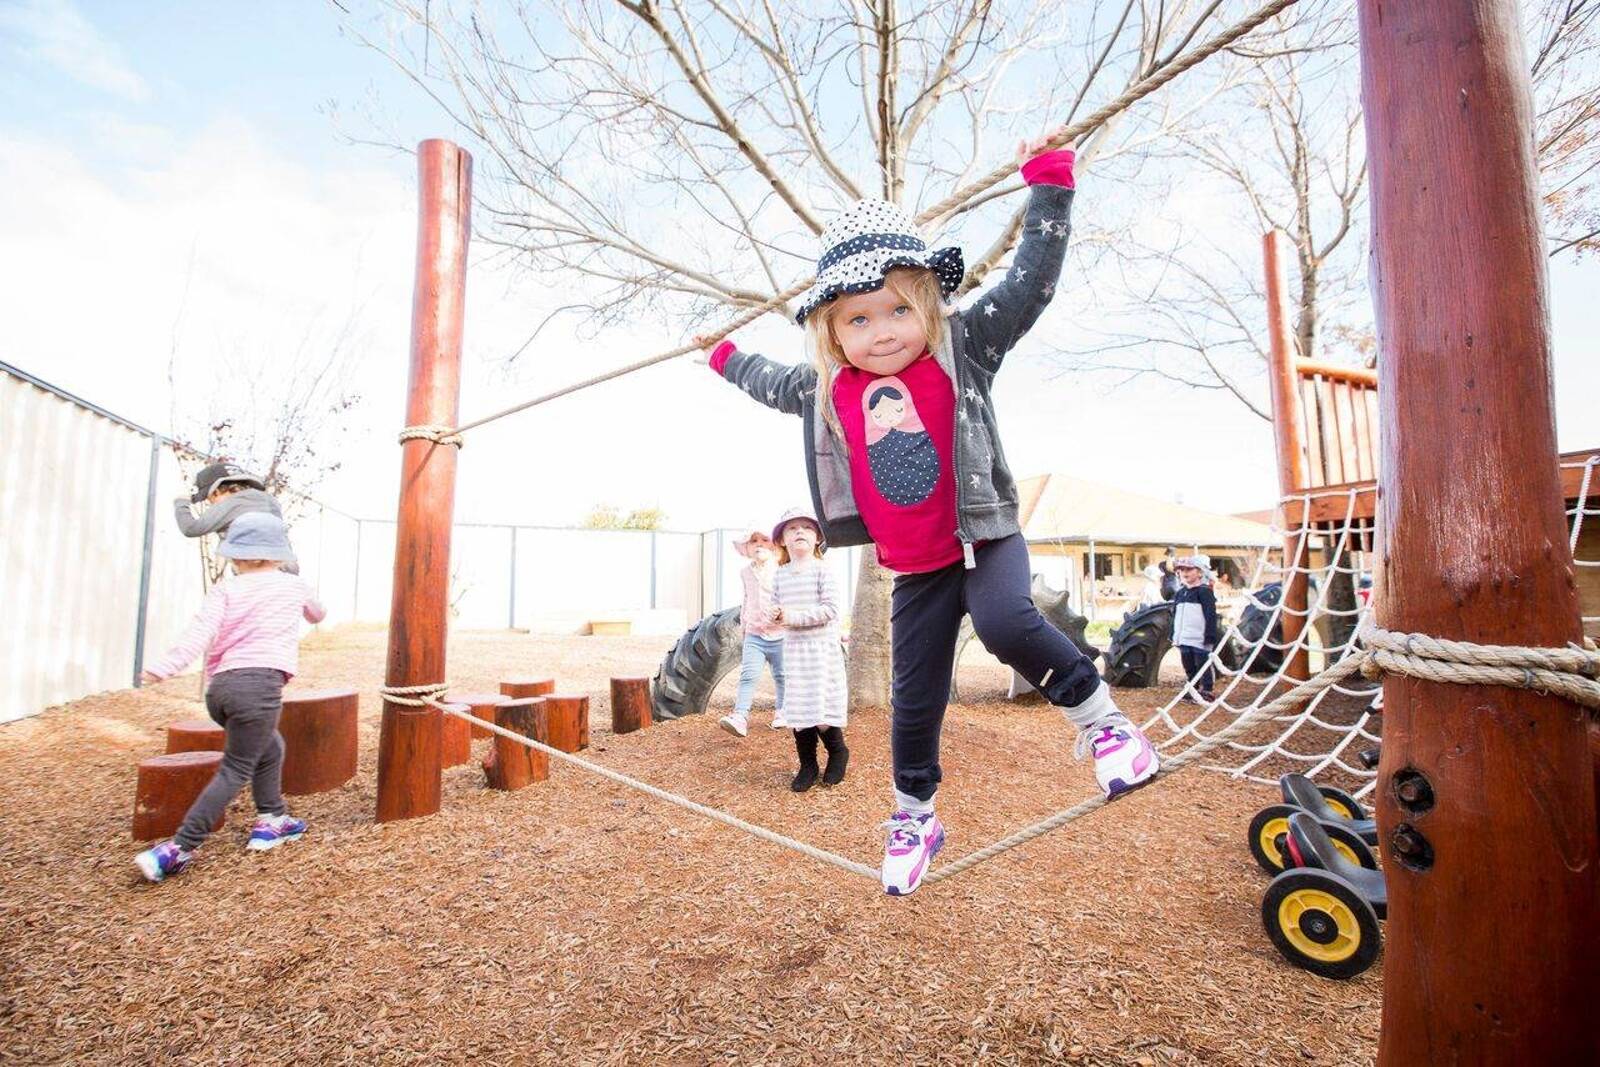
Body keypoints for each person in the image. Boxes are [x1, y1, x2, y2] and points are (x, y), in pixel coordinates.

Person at [700, 132, 1157, 895]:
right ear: (831, 330)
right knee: (913, 701)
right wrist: (722, 357)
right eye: (858, 319)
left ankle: (1106, 725)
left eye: (897, 310)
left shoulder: (964, 347)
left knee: (1010, 624)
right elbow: (767, 379)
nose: (881, 330)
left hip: (984, 537)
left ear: (929, 305)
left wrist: (1049, 184)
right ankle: (916, 814)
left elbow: (1029, 285)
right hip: (915, 568)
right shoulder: (826, 391)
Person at [133, 512, 326, 882]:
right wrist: (302, 593)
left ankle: (272, 819)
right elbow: (318, 614)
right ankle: (177, 849)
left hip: (221, 690)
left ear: (235, 555)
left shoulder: (226, 589)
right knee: (236, 768)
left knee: (270, 748)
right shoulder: (292, 585)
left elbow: (199, 632)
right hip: (259, 688)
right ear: (279, 553)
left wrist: (165, 667)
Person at [766, 509, 848, 791]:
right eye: (792, 529)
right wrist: (775, 614)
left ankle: (838, 753)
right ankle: (808, 765)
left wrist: (791, 617)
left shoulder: (823, 570)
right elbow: (775, 606)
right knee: (800, 711)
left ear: (817, 538)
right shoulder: (779, 574)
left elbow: (831, 610)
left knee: (822, 709)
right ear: (782, 541)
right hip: (794, 651)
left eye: (805, 527)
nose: (799, 532)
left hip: (821, 651)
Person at [718, 530, 788, 737]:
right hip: (754, 634)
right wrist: (745, 625)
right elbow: (747, 598)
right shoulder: (745, 572)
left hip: (780, 633)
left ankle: (782, 711)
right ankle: (740, 716)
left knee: (782, 675)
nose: (759, 545)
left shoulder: (781, 569)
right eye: (753, 541)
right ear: (747, 548)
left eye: (764, 540)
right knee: (748, 675)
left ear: (774, 545)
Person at [173, 461, 299, 574]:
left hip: (255, 572)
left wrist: (181, 503)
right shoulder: (269, 500)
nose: (212, 505)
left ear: (216, 491)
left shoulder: (231, 502)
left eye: (210, 499)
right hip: (287, 568)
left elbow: (191, 529)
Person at [1171, 555, 1219, 703]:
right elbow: (1176, 616)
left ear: (1200, 572)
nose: (1185, 572)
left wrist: (1210, 635)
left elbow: (1211, 615)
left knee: (1203, 663)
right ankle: (1193, 687)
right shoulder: (1180, 593)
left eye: (1189, 569)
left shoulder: (1204, 592)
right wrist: (1173, 634)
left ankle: (1207, 690)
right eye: (1182, 569)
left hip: (1199, 637)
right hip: (1183, 637)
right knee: (1189, 665)